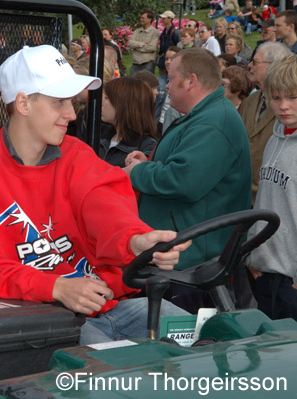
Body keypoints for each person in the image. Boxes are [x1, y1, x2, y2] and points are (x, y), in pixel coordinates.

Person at [0, 45, 190, 345]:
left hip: (109, 303)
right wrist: (55, 287)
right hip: (32, 314)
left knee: (200, 337)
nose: (70, 114)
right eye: (59, 102)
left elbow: (107, 209)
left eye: (71, 102)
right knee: (105, 374)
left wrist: (134, 240)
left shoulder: (77, 156)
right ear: (23, 104)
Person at [124, 48, 251, 313]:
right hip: (186, 260)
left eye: (170, 79)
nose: (166, 86)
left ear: (191, 80)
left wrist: (137, 173)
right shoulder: (205, 115)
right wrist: (149, 163)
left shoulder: (213, 121)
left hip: (196, 268)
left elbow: (183, 180)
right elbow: (185, 167)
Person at [248, 54, 297, 321]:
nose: (284, 106)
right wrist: (253, 253)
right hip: (267, 273)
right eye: (276, 98)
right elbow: (265, 203)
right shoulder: (275, 139)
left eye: (293, 97)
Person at [240, 42, 292, 204]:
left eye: (255, 62)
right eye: (276, 98)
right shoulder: (250, 101)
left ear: (275, 66)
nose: (249, 66)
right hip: (245, 195)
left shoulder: (289, 110)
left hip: (276, 199)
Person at [99, 77, 158, 168]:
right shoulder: (100, 134)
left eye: (106, 98)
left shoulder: (146, 147)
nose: (102, 103)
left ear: (123, 105)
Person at [128, 10, 159, 75]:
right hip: (135, 63)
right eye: (141, 18)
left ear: (150, 19)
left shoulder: (154, 32)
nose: (141, 19)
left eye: (143, 18)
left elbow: (152, 48)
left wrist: (136, 48)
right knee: (133, 84)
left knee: (147, 84)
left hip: (148, 63)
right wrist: (142, 44)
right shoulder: (137, 31)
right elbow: (130, 43)